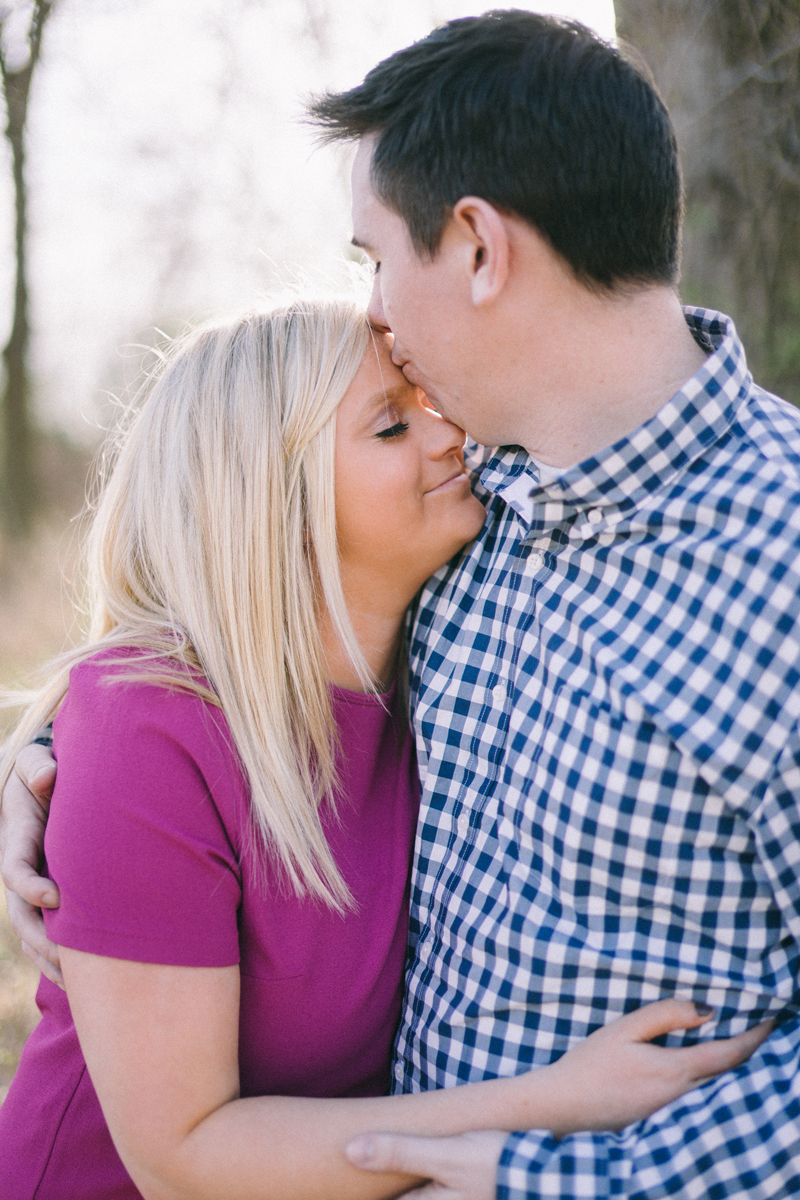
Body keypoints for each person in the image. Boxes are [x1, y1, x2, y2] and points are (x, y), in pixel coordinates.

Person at [3, 10, 799, 1199]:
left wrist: (551, 1171)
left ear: (476, 247)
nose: (373, 309)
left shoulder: (772, 558)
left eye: (376, 257)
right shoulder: (474, 505)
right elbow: (233, 625)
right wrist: (44, 763)